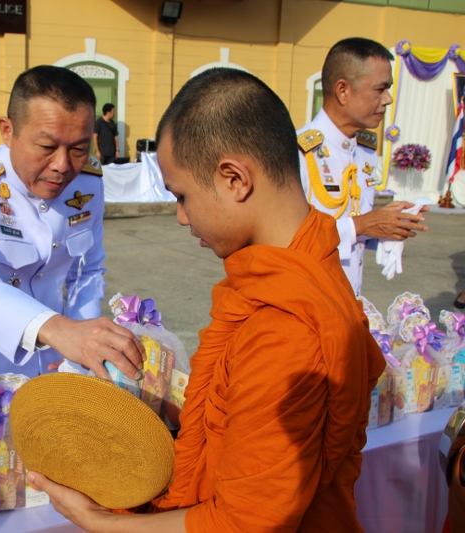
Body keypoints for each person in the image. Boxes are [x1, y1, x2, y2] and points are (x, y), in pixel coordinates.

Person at [26, 68, 385, 532]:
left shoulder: (285, 328)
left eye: (182, 195)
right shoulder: (307, 262)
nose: (180, 216)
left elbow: (242, 523)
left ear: (234, 178)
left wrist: (96, 521)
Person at [0, 66, 144, 433]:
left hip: (55, 370)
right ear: (7, 131)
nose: (62, 166)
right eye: (46, 147)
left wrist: (82, 342)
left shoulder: (88, 183)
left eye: (78, 149)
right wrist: (58, 330)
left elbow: (88, 271)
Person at [298, 37, 428, 296]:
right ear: (343, 91)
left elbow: (352, 227)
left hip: (349, 300)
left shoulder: (365, 150)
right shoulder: (296, 152)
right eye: (380, 89)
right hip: (307, 301)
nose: (388, 99)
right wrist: (362, 225)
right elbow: (288, 238)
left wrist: (387, 226)